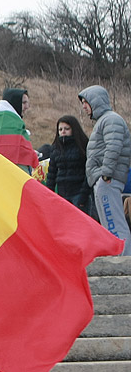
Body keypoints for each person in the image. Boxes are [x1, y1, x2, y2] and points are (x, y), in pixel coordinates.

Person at [79, 85, 131, 254]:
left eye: (86, 102)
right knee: (109, 224)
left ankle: (122, 260)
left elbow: (113, 146)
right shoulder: (104, 121)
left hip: (107, 180)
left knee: (114, 222)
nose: (84, 107)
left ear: (96, 101)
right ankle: (117, 256)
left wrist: (106, 174)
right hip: (102, 180)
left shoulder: (111, 120)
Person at [45, 115, 91, 212]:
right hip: (62, 194)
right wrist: (49, 194)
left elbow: (89, 172)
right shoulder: (55, 148)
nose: (63, 132)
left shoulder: (83, 146)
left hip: (79, 193)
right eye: (60, 129)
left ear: (74, 129)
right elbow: (51, 174)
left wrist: (84, 194)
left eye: (67, 129)